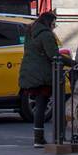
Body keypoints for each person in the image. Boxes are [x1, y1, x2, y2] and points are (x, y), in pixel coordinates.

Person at [19, 8, 62, 147]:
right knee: (42, 105)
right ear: (48, 22)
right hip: (42, 75)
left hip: (29, 73)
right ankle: (39, 139)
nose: (54, 26)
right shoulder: (46, 35)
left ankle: (38, 137)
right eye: (54, 23)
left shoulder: (30, 33)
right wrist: (71, 62)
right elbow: (54, 55)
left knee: (39, 105)